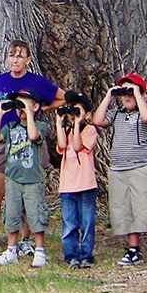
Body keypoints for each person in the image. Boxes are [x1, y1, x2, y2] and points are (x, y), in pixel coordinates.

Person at [0, 40, 65, 258]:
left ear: (28, 60)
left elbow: (63, 97)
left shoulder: (36, 82)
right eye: (12, 55)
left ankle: (26, 240)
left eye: (20, 56)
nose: (15, 60)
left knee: (30, 191)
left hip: (30, 140)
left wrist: (38, 110)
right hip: (6, 140)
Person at [92, 74, 147, 267]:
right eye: (124, 92)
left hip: (140, 168)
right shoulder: (116, 114)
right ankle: (133, 249)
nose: (126, 97)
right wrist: (110, 96)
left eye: (130, 92)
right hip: (118, 169)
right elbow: (97, 120)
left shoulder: (143, 112)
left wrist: (137, 94)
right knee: (124, 209)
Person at [0, 90, 49, 268]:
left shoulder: (40, 126)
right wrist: (0, 114)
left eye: (24, 103)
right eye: (18, 105)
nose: (20, 109)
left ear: (36, 106)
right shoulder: (11, 128)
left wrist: (29, 113)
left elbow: (33, 136)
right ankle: (11, 249)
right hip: (13, 178)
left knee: (36, 214)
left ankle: (39, 251)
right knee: (12, 213)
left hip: (32, 179)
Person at [55, 91, 98, 269]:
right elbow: (62, 146)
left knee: (87, 221)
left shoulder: (90, 130)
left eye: (78, 111)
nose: (74, 115)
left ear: (87, 114)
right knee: (69, 222)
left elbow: (79, 146)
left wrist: (79, 124)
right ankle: (71, 254)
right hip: (67, 184)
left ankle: (86, 254)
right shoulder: (66, 130)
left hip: (86, 183)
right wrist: (59, 121)